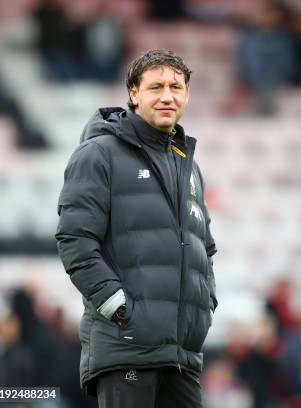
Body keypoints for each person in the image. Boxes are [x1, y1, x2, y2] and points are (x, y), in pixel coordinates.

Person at [56, 49, 217, 408]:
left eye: (176, 87)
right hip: (126, 350)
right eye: (155, 86)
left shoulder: (188, 166)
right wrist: (120, 308)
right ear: (133, 93)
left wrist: (205, 305)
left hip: (181, 355)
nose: (167, 96)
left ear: (187, 94)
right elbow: (75, 239)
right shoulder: (98, 154)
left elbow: (204, 248)